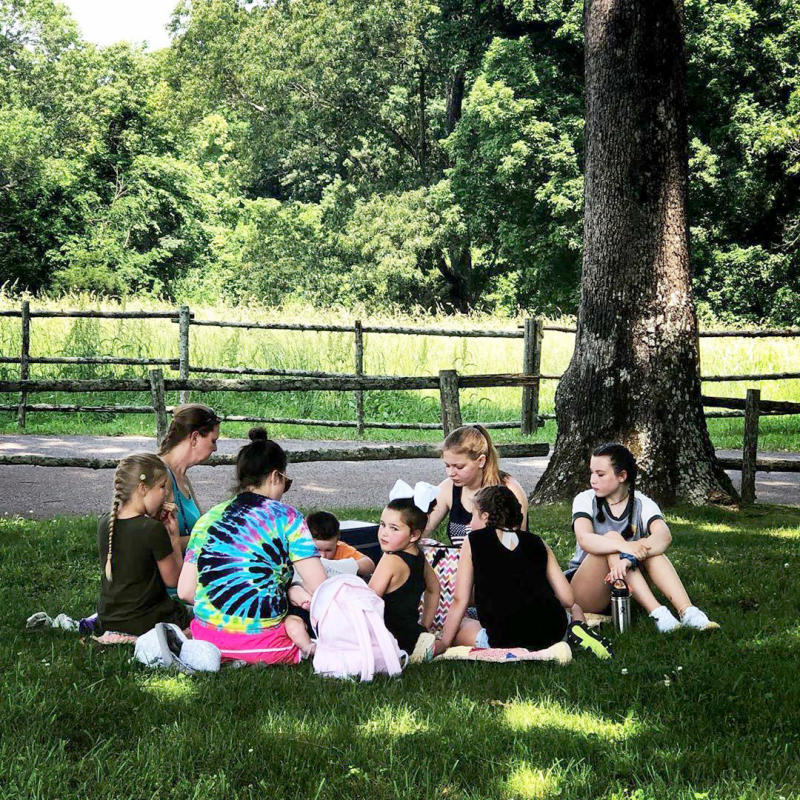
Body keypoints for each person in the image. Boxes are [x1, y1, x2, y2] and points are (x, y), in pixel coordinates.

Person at [178, 428, 326, 664]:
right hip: (267, 645)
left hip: (206, 639)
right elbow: (320, 586)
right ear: (276, 476)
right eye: (285, 484)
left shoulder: (208, 519)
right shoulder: (287, 517)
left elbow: (185, 591)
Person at [434, 485, 612, 657]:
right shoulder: (537, 541)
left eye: (473, 516)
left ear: (485, 516)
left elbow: (460, 599)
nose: (469, 523)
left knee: (463, 623)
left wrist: (444, 641)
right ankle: (578, 627)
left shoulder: (473, 541)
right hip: (552, 632)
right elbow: (568, 598)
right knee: (575, 607)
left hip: (505, 638)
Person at [568, 442, 717, 633]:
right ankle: (658, 613)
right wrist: (625, 547)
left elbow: (664, 537)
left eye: (600, 474)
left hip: (624, 580)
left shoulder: (642, 503)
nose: (593, 480)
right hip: (586, 590)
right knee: (615, 539)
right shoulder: (585, 499)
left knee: (654, 552)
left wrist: (629, 557)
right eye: (591, 473)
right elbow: (584, 539)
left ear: (622, 476)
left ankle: (688, 612)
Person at [96, 453, 190, 636]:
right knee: (200, 617)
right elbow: (174, 581)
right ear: (142, 488)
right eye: (162, 487)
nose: (166, 494)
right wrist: (174, 539)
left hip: (109, 619)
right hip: (146, 621)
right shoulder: (152, 529)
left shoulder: (105, 522)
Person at [369, 481, 441, 662]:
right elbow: (434, 589)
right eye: (382, 524)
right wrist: (424, 626)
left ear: (414, 535)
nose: (384, 533)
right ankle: (426, 643)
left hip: (389, 637)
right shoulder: (419, 557)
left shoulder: (390, 560)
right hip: (410, 635)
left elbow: (368, 599)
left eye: (394, 528)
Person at [425, 424, 529, 546]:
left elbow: (516, 542)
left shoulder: (510, 489)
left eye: (459, 467)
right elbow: (423, 528)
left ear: (481, 461)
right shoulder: (448, 488)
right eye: (447, 465)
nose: (451, 473)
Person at [158, 403, 221, 546]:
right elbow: (159, 546)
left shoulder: (182, 477)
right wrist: (210, 539)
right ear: (195, 438)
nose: (215, 448)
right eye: (213, 440)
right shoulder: (160, 476)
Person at [307, 511, 375, 577]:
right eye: (317, 550)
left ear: (337, 540)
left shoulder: (341, 549)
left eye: (328, 550)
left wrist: (338, 566)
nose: (323, 555)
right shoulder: (301, 550)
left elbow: (369, 565)